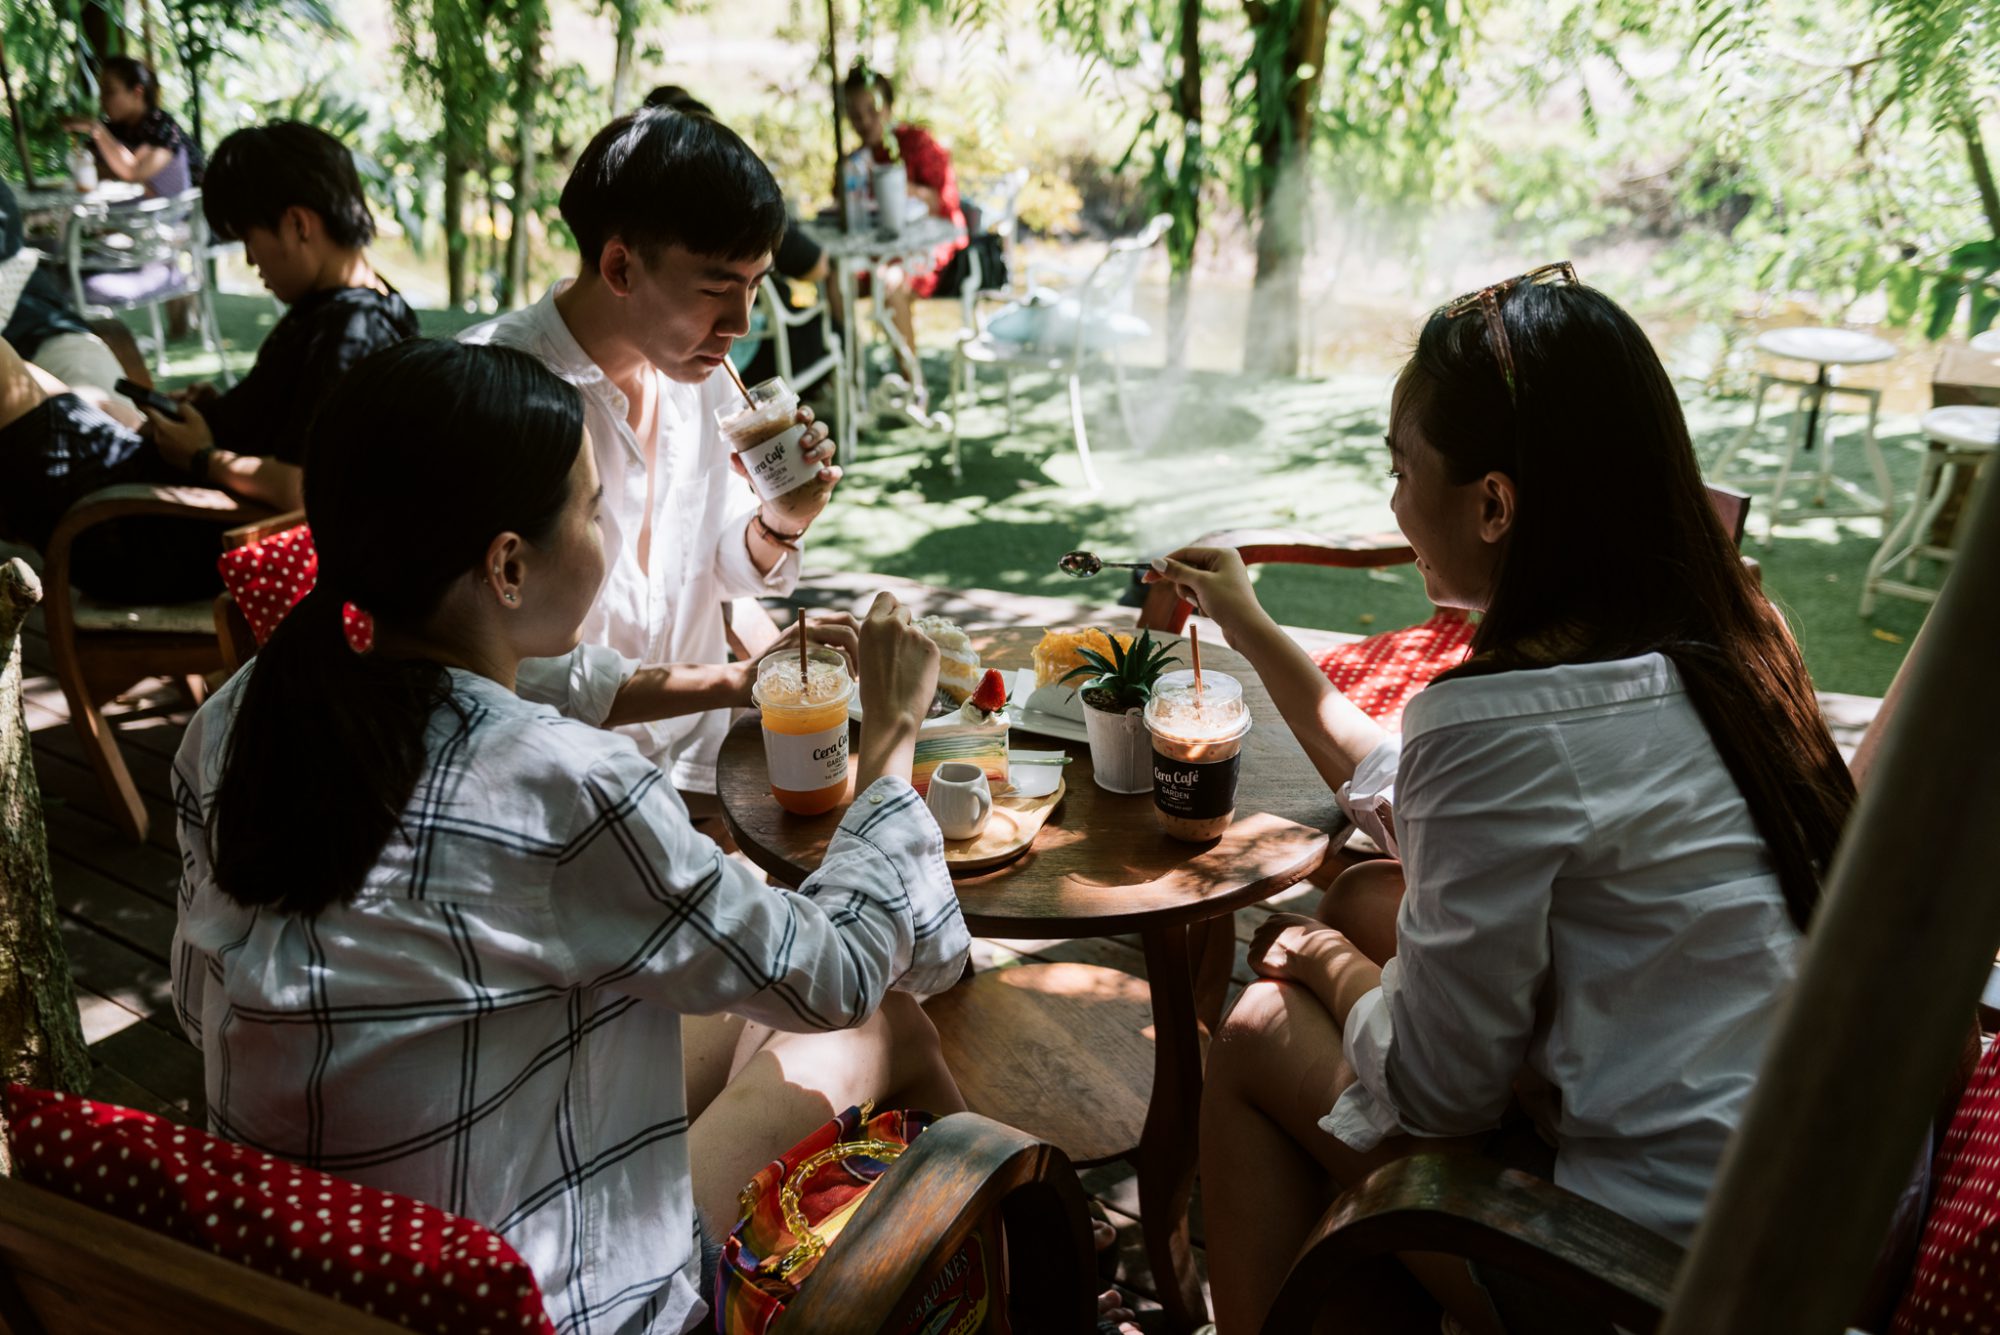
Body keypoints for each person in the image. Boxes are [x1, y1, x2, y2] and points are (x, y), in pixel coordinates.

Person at [170, 337, 970, 1335]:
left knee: (724, 936)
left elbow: (201, 1012)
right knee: (878, 1020)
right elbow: (839, 971)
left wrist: (731, 682)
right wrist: (889, 733)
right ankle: (1012, 1243)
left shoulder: (244, 714)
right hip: (545, 1302)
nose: (601, 530)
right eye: (594, 510)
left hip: (303, 1271)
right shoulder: (565, 789)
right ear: (506, 563)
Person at [1149, 267, 1855, 1332]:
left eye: (1402, 469)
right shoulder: (1732, 644)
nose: (1393, 502)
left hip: (1656, 1275)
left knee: (1255, 1027)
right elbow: (1413, 796)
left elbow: (1438, 1094)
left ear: (1492, 503)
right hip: (1828, 1215)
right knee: (1363, 895)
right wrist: (1248, 620)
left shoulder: (1498, 726)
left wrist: (1330, 969)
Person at [461, 109, 843, 813]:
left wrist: (779, 521)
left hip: (696, 768)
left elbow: (710, 568)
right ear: (619, 266)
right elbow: (510, 662)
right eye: (716, 287)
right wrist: (738, 678)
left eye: (755, 285)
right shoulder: (497, 391)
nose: (741, 324)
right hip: (556, 790)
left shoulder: (690, 374)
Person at [0, 122, 415, 602]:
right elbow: (300, 422)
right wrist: (223, 411)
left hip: (155, 537)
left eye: (248, 238)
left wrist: (203, 457)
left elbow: (305, 490)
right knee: (30, 377)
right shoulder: (371, 306)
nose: (252, 260)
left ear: (298, 224)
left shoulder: (349, 332)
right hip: (152, 502)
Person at [642, 85, 831, 387]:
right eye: (715, 288)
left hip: (729, 366)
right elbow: (818, 265)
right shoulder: (742, 205)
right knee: (831, 330)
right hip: (761, 355)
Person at [841, 64, 967, 410]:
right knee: (835, 282)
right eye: (854, 114)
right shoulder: (855, 160)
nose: (864, 121)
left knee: (892, 282)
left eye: (871, 111)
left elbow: (944, 201)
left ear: (888, 108)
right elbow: (843, 207)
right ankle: (849, 385)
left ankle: (914, 388)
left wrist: (899, 190)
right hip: (876, 250)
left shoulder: (917, 144)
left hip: (927, 246)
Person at [62, 57, 204, 199]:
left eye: (110, 91)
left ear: (137, 92)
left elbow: (132, 171)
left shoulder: (162, 126)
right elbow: (89, 166)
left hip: (183, 216)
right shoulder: (114, 127)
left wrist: (95, 129)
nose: (102, 99)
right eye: (101, 91)